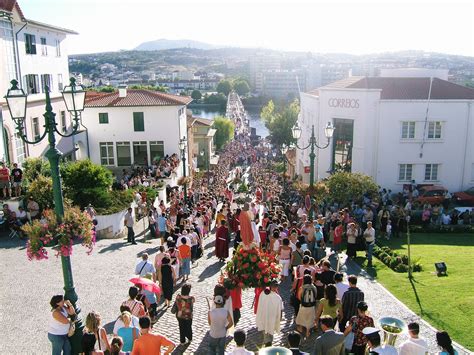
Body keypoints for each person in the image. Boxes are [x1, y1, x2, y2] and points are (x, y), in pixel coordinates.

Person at [256, 281, 283, 347]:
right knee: (270, 330)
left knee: (266, 330)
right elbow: (281, 309)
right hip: (271, 317)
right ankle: (268, 343)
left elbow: (259, 305)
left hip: (265, 316)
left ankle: (267, 343)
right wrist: (280, 318)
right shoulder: (278, 297)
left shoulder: (263, 293)